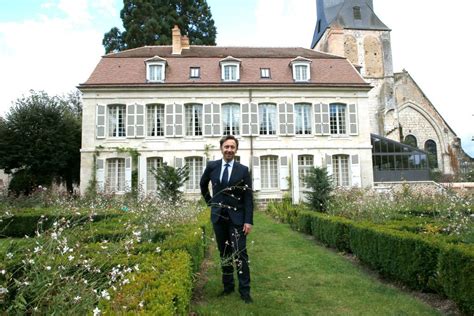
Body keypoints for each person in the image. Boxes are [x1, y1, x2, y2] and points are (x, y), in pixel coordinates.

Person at [200, 135, 254, 303]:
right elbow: (203, 184)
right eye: (226, 146)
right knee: (224, 253)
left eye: (232, 147)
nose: (229, 150)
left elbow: (248, 198)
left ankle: (245, 291)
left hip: (237, 219)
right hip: (219, 218)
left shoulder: (243, 170)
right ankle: (228, 287)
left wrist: (248, 220)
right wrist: (211, 203)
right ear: (221, 148)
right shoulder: (212, 166)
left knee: (240, 253)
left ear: (236, 149)